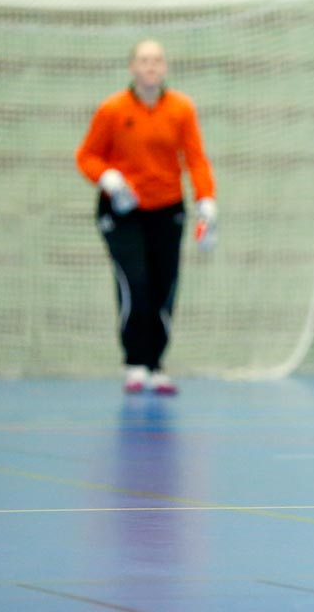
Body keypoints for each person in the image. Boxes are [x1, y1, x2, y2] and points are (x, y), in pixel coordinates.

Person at [76, 39, 217, 396]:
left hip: (167, 208)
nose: (151, 66)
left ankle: (156, 364)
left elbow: (196, 158)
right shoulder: (113, 109)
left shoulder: (181, 109)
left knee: (163, 285)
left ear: (165, 67)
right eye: (144, 60)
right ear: (133, 68)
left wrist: (206, 199)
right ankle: (135, 362)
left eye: (157, 60)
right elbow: (87, 155)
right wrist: (107, 177)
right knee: (135, 281)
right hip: (123, 211)